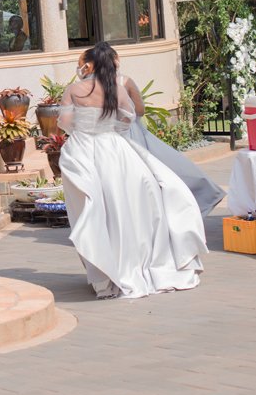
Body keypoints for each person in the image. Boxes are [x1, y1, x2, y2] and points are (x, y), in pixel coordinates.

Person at [58, 41, 206, 300]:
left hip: (84, 150)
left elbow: (65, 122)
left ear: (89, 65)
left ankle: (107, 272)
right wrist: (108, 129)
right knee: (128, 208)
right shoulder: (116, 87)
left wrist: (84, 129)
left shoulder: (74, 89)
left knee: (96, 210)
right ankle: (139, 265)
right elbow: (129, 117)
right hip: (116, 150)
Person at [112, 55, 224, 216]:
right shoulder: (116, 83)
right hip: (123, 134)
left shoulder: (112, 83)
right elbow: (139, 110)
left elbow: (138, 110)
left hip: (122, 134)